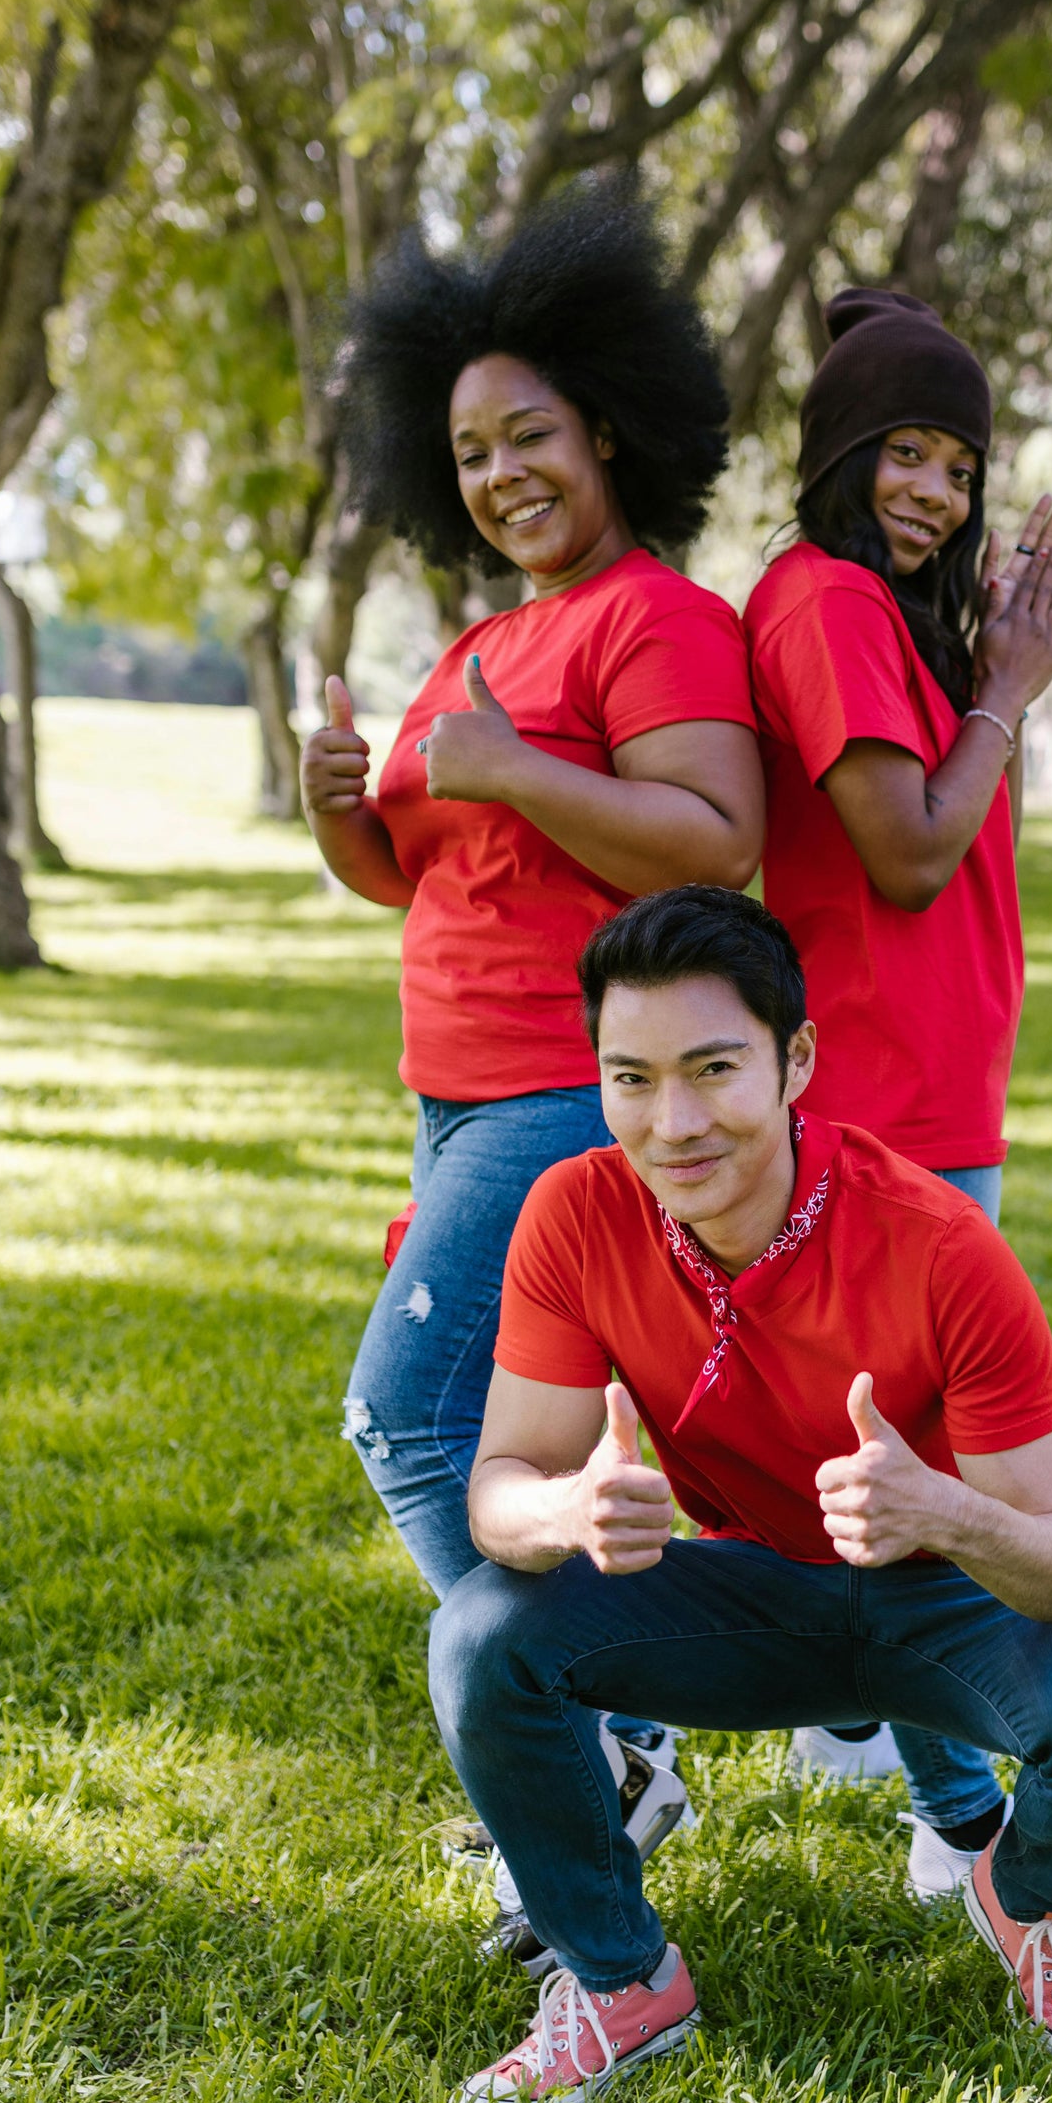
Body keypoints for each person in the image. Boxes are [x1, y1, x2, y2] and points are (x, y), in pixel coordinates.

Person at [429, 886, 1052, 2103]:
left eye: (712, 1069)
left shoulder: (937, 1243)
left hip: (941, 1599)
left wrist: (942, 1513)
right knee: (480, 1632)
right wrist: (568, 1513)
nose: (673, 1122)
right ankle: (619, 1981)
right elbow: (498, 1495)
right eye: (631, 1079)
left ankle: (1026, 1902)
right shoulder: (574, 1212)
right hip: (743, 1597)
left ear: (794, 1061)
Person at [299, 184, 764, 1918]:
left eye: (531, 435)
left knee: (406, 1414)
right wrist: (339, 810)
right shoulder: (483, 645)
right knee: (537, 1442)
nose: (501, 474)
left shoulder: (658, 620)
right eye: (470, 452)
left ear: (608, 430)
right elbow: (417, 870)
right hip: (453, 1096)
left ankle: (603, 1739)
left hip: (565, 1088)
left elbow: (715, 842)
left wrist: (516, 769)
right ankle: (616, 1728)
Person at [742, 288, 1052, 1894]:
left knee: (900, 1450)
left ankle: (869, 1736)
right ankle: (957, 1822)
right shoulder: (824, 601)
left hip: (932, 1085)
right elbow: (905, 852)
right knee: (934, 1464)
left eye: (960, 466)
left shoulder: (877, 613)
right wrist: (1009, 686)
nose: (937, 494)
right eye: (905, 452)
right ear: (838, 451)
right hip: (886, 1099)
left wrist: (993, 665)